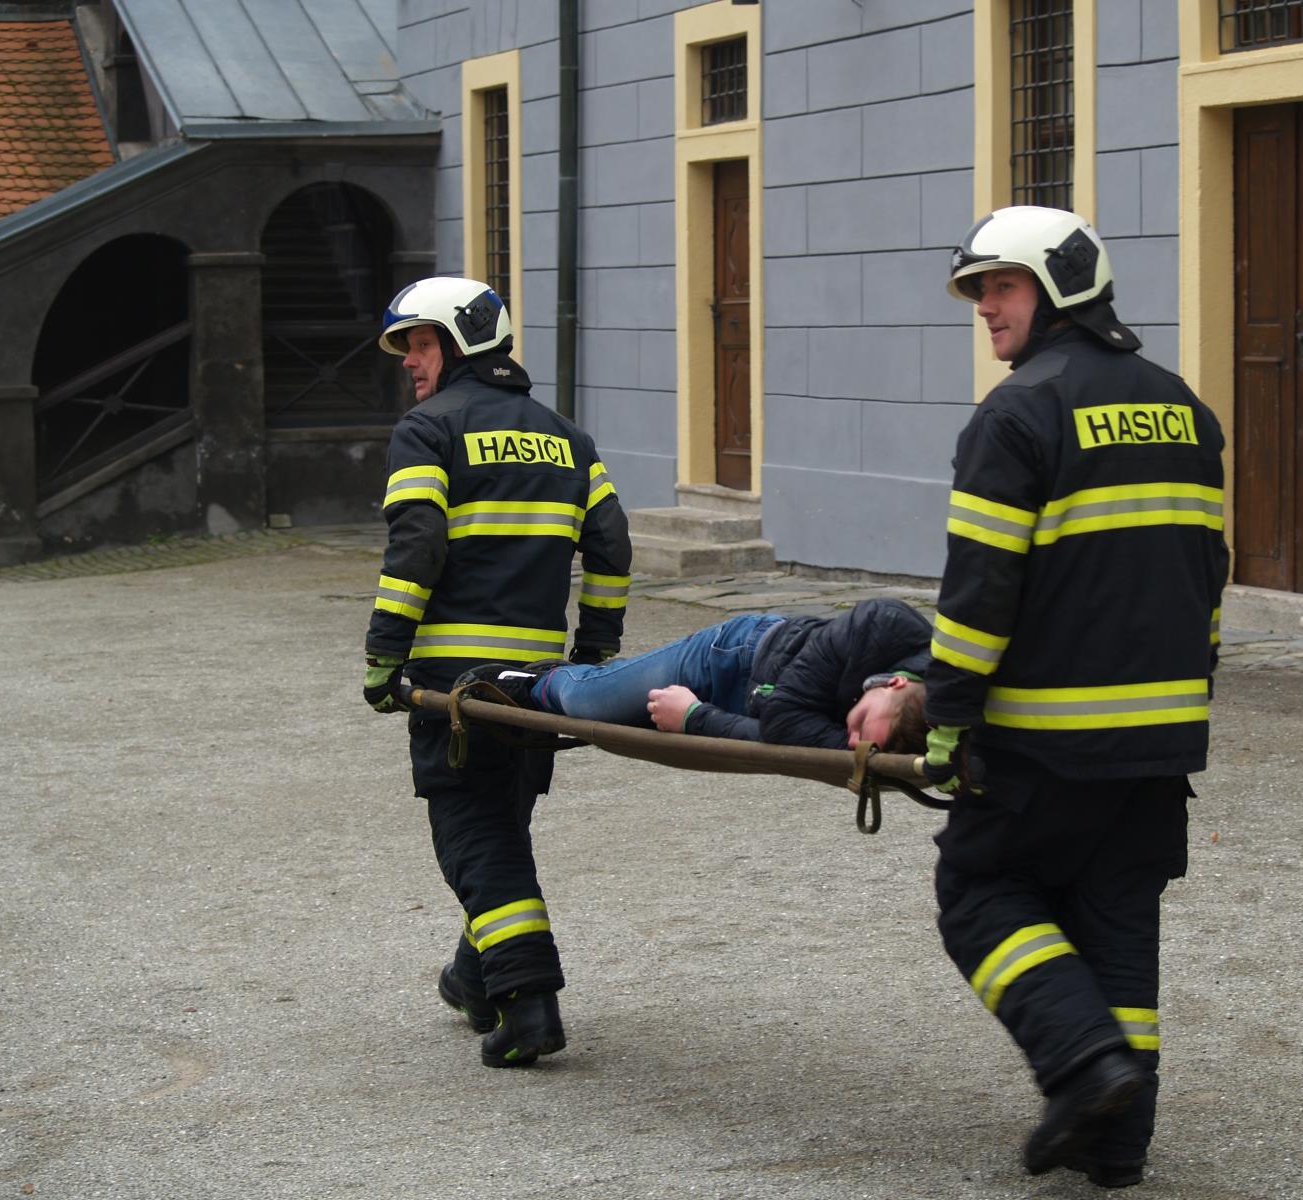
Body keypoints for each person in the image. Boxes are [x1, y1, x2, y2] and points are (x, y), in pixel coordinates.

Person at [922, 207, 1229, 1187]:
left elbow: (979, 592)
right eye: (978, 291)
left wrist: (946, 717)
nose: (985, 307)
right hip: (1159, 743)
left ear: (1058, 289)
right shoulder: (1185, 409)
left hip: (1043, 743)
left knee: (977, 893)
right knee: (1116, 920)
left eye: (1001, 286)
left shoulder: (1016, 414)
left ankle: (1081, 1063)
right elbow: (1208, 577)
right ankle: (1117, 1143)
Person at [360, 276, 632, 1069]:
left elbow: (417, 545)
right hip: (537, 686)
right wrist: (593, 657)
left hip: (455, 684)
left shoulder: (427, 430)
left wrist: (383, 655)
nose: (409, 361)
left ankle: (527, 1000)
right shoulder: (568, 438)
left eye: (420, 343)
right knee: (500, 823)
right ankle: (474, 980)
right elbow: (612, 547)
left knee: (474, 835)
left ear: (460, 343)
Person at [468, 596, 931, 754]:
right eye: (860, 726)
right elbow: (784, 725)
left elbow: (788, 735)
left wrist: (694, 718)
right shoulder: (882, 624)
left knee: (625, 719)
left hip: (749, 707)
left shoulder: (934, 710)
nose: (852, 744)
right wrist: (695, 717)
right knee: (588, 704)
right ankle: (537, 682)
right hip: (732, 654)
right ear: (893, 682)